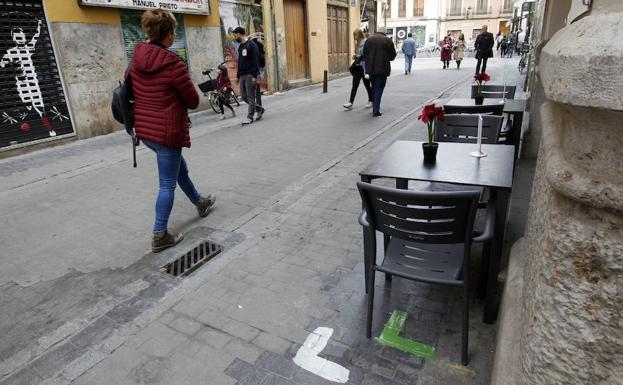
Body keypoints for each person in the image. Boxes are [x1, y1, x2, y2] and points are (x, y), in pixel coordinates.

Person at [130, 9, 215, 253]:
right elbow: (192, 100)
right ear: (168, 34)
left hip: (145, 131)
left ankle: (200, 202)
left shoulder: (136, 57)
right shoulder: (172, 63)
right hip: (166, 132)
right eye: (173, 32)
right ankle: (159, 235)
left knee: (180, 170)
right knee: (167, 184)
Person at [233, 26, 265, 125]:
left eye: (235, 35)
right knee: (243, 96)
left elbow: (256, 61)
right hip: (242, 75)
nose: (235, 37)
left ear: (239, 34)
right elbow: (240, 62)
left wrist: (255, 76)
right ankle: (259, 108)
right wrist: (238, 76)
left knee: (251, 97)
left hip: (250, 74)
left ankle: (249, 117)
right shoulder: (241, 46)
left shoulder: (251, 45)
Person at [363, 27, 396, 117]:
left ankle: (375, 106)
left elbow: (364, 54)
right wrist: (386, 58)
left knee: (373, 87)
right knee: (378, 89)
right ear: (384, 33)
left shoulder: (369, 40)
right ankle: (376, 110)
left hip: (371, 69)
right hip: (382, 69)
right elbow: (393, 56)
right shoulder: (387, 40)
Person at [343, 28, 372, 110]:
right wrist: (356, 57)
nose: (354, 36)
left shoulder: (366, 42)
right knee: (354, 85)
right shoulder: (357, 44)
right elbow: (358, 54)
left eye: (355, 35)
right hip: (357, 67)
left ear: (359, 34)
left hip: (364, 67)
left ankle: (371, 100)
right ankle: (350, 103)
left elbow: (367, 55)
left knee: (367, 85)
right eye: (354, 35)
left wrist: (359, 57)